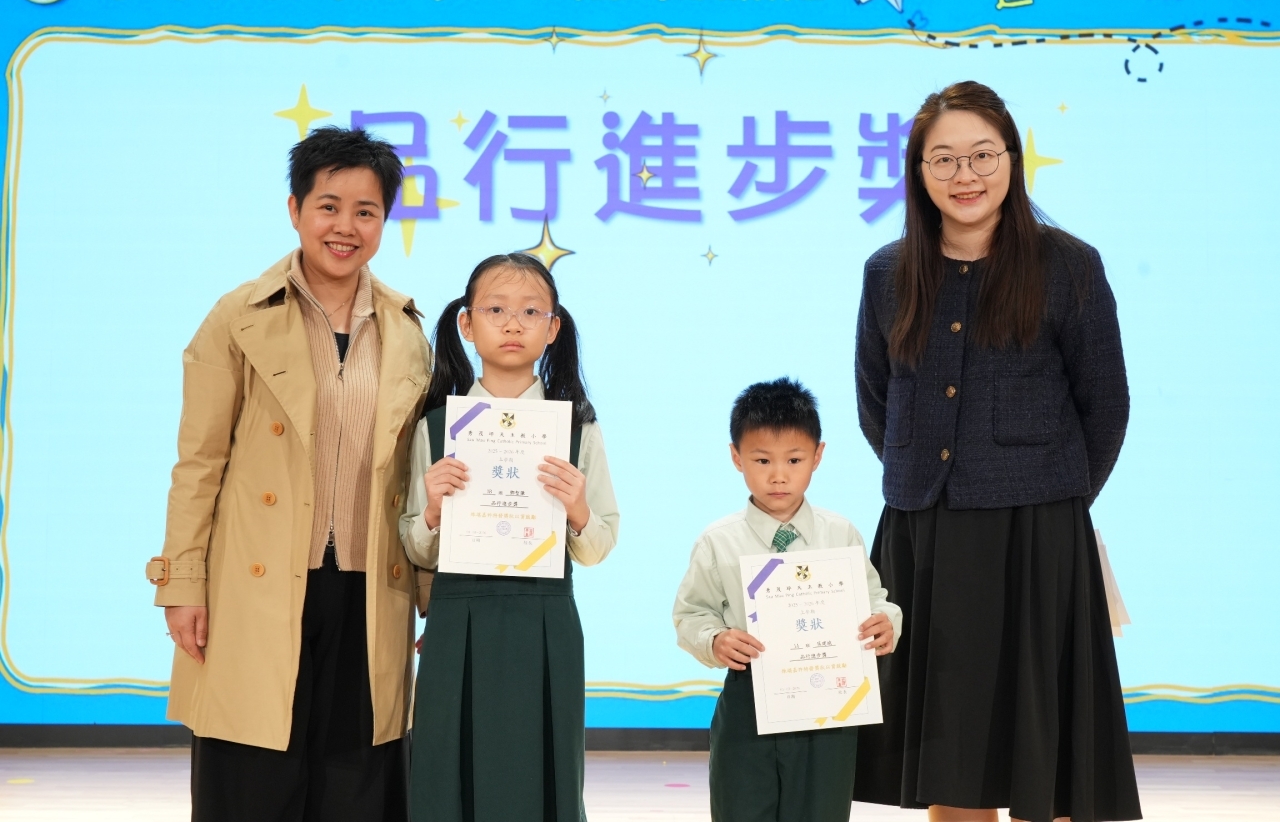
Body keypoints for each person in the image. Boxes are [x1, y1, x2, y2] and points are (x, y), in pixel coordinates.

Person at [852, 81, 1142, 822]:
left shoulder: (1068, 266)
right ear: (919, 172)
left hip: (1038, 537)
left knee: (1047, 755)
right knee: (952, 759)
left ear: (1012, 159)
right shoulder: (887, 272)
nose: (966, 175)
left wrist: (1054, 497)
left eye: (983, 155)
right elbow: (877, 400)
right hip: (925, 535)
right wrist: (930, 473)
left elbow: (1106, 405)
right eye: (944, 159)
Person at [147, 126, 431, 821]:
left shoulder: (407, 330)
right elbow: (199, 463)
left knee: (356, 788)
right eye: (328, 206)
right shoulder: (238, 316)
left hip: (370, 592)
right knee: (252, 782)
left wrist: (436, 595)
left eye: (366, 211)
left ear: (385, 222)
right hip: (257, 588)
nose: (346, 227)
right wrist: (183, 583)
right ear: (295, 209)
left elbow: (420, 476)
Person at [399, 252, 620, 822]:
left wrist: (577, 509)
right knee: (448, 773)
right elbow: (414, 545)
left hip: (544, 621)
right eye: (495, 310)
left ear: (553, 328)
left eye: (530, 312)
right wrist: (432, 510)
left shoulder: (578, 428)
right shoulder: (435, 426)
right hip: (457, 620)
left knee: (543, 774)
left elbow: (599, 546)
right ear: (467, 324)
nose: (513, 324)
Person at [673, 378, 902, 822]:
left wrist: (886, 621)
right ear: (736, 457)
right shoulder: (719, 541)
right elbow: (691, 615)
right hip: (748, 703)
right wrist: (715, 640)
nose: (778, 475)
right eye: (762, 460)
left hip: (829, 711)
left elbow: (876, 599)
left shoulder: (840, 533)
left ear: (818, 456)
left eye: (794, 460)